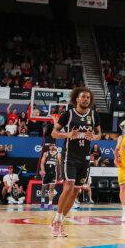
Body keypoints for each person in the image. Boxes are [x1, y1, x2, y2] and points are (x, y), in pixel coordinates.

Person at [50, 87, 97, 238]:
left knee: (76, 191)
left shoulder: (94, 115)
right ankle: (57, 219)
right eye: (83, 97)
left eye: (88, 98)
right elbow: (54, 133)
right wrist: (68, 134)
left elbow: (99, 134)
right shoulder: (68, 114)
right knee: (68, 186)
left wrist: (94, 137)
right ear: (77, 99)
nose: (86, 100)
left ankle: (60, 221)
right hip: (70, 157)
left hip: (85, 159)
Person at [38, 143, 60, 207]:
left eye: (54, 145)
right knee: (44, 188)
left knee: (52, 188)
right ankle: (42, 201)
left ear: (56, 147)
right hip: (46, 172)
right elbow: (42, 163)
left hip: (53, 173)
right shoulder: (46, 153)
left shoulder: (58, 154)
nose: (53, 146)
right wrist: (42, 170)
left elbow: (59, 165)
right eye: (51, 145)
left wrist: (60, 174)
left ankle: (50, 203)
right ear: (49, 147)